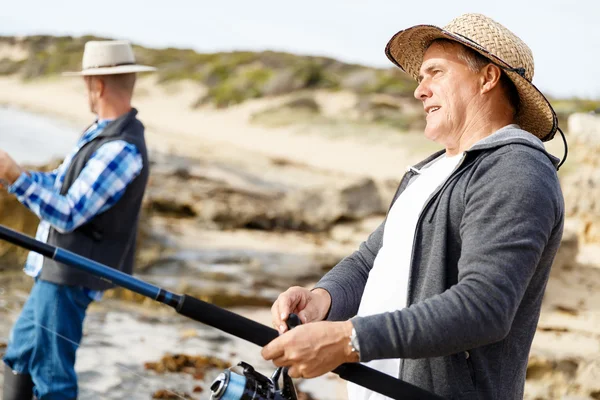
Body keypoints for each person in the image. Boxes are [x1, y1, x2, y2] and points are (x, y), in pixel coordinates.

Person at [262, 13, 565, 400]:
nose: (420, 91)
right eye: (420, 78)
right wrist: (322, 300)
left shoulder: (516, 169)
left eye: (435, 72)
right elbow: (371, 260)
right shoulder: (430, 170)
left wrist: (348, 339)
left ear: (488, 77)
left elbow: (484, 307)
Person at [1, 40, 155, 400]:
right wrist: (16, 174)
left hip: (68, 277)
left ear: (96, 85)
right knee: (19, 357)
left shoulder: (121, 148)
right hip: (53, 273)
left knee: (53, 377)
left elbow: (68, 213)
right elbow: (59, 182)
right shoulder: (100, 132)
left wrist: (16, 178)